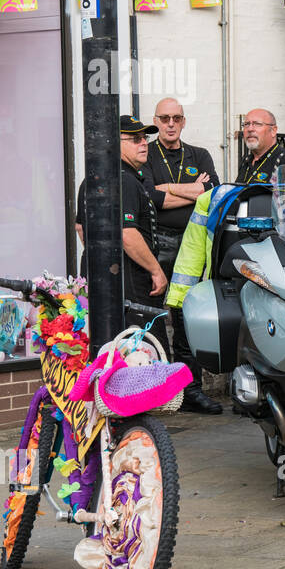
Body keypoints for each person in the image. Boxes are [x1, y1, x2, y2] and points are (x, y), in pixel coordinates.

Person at [143, 98, 222, 414]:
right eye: (164, 118)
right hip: (159, 244)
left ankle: (191, 390)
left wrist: (169, 188)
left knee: (187, 317)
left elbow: (212, 192)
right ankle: (158, 389)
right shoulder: (147, 153)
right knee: (154, 316)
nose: (170, 124)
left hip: (193, 246)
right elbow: (151, 197)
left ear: (184, 121)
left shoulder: (199, 155)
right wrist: (191, 189)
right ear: (156, 121)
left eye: (176, 118)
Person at [75, 115, 169, 350]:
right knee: (147, 352)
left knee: (110, 352)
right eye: (135, 139)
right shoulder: (124, 180)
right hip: (132, 283)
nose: (144, 143)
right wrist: (156, 270)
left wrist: (101, 258)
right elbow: (127, 234)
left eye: (145, 138)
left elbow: (81, 228)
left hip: (105, 281)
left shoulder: (92, 179)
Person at [237, 108, 285, 185]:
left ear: (273, 130)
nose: (250, 129)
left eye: (257, 124)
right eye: (246, 124)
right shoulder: (247, 160)